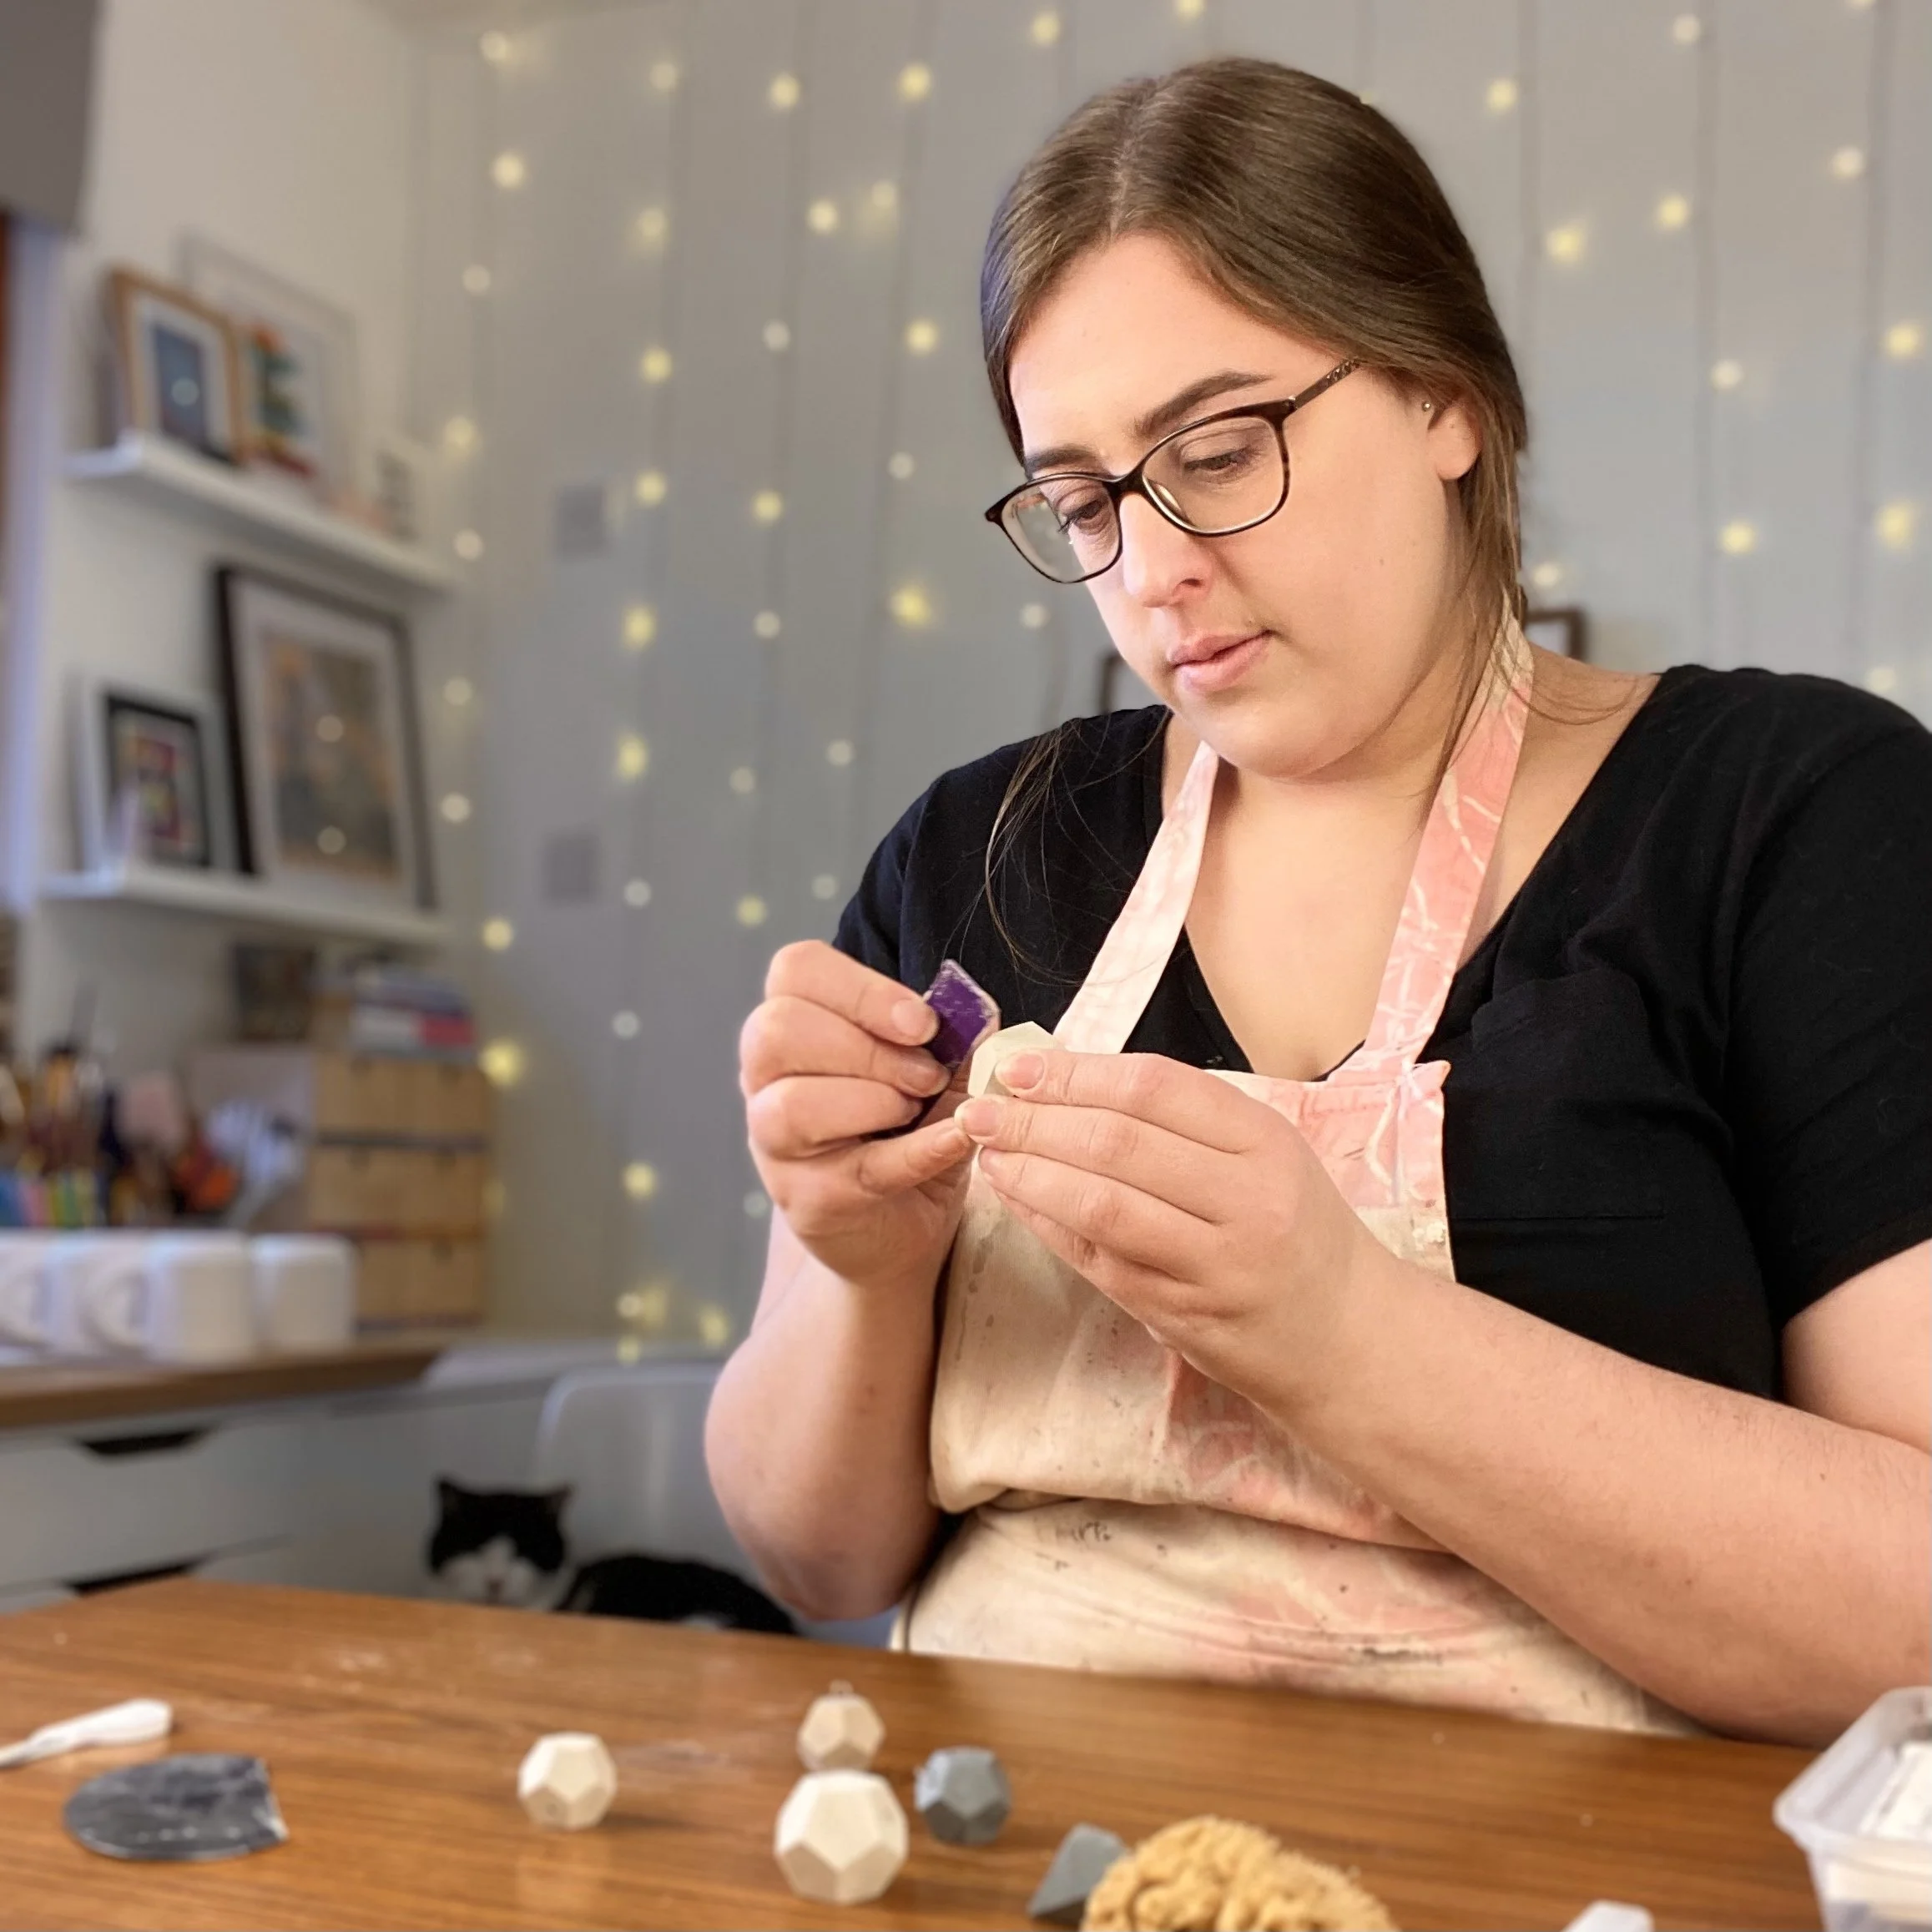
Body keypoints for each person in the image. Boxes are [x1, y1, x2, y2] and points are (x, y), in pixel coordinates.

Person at [706, 58, 1929, 1748]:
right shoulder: (975, 851)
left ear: (1443, 396)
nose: (1150, 567)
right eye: (1079, 501)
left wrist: (1339, 1331)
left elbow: (1911, 1620)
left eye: (1214, 450)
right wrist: (853, 1267)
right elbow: (811, 1550)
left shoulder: (1788, 815)